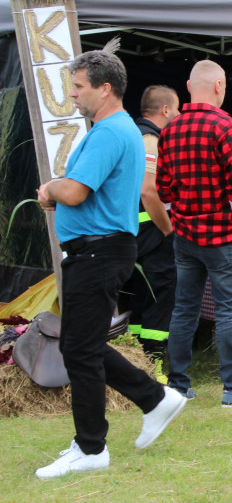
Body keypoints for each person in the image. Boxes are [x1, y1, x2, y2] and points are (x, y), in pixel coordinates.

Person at [35, 51, 186, 479]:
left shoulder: (107, 132)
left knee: (79, 348)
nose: (72, 93)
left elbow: (77, 191)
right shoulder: (117, 129)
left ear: (105, 88)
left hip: (98, 252)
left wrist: (50, 188)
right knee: (80, 345)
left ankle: (92, 447)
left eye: (78, 85)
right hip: (101, 250)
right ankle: (154, 399)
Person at [157, 60, 232, 407]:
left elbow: (163, 191)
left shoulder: (170, 130)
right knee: (227, 312)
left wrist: (179, 219)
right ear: (219, 86)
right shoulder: (226, 127)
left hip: (186, 234)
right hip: (224, 236)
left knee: (184, 310)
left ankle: (177, 385)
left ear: (189, 87)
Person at [121, 85, 179, 367]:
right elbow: (148, 191)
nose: (178, 114)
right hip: (152, 237)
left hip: (132, 236)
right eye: (176, 108)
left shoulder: (129, 135)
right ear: (165, 109)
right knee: (159, 298)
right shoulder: (150, 140)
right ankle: (154, 365)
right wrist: (168, 231)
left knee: (139, 299)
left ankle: (135, 362)